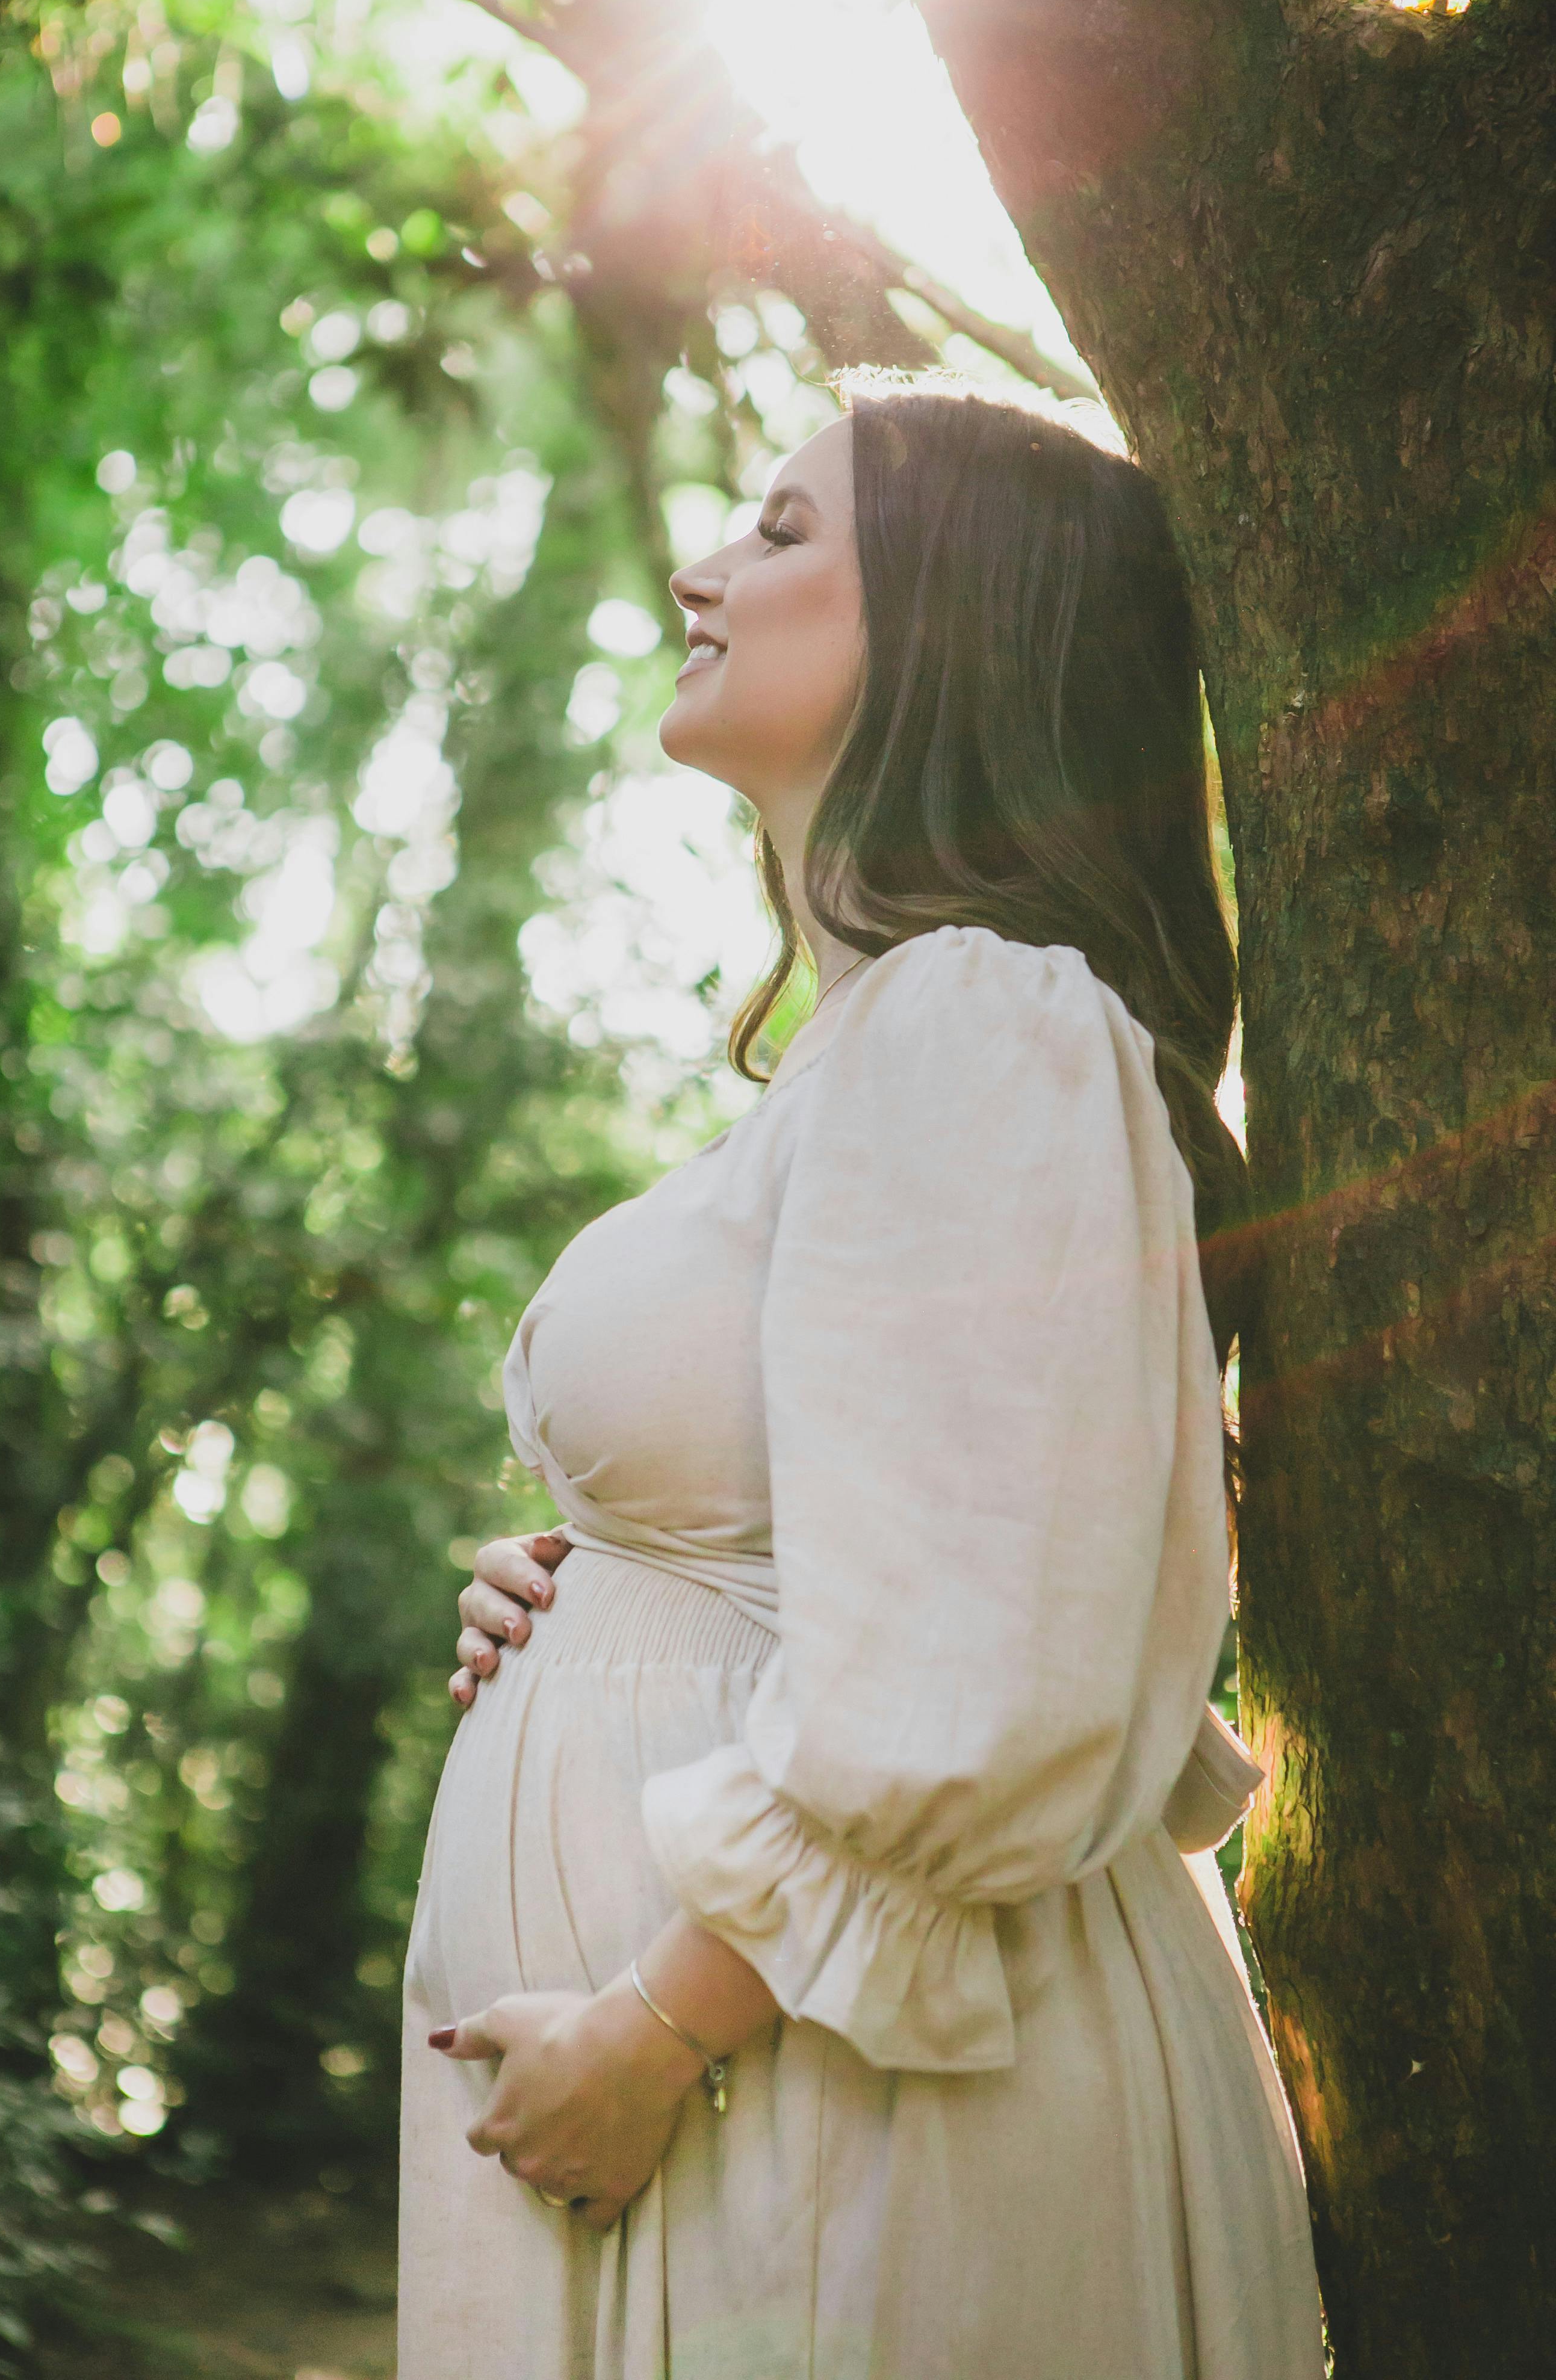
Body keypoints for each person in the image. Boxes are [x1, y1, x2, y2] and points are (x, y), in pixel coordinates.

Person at [397, 380, 1325, 2378]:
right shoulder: (887, 1053)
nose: (699, 564)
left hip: (840, 2105)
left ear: (958, 627)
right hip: (766, 2099)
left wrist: (660, 2027)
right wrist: (591, 1591)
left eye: (787, 530)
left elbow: (995, 1652)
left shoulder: (984, 1021)